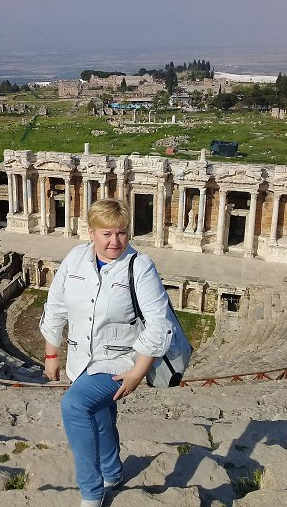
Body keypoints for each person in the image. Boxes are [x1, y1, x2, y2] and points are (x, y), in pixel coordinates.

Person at [40, 198, 173, 507]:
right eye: (107, 233)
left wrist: (138, 372)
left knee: (75, 406)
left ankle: (91, 491)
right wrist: (51, 353)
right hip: (80, 357)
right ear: (91, 233)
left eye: (121, 233)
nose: (115, 241)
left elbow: (159, 323)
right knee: (100, 413)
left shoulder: (140, 266)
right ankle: (112, 472)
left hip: (120, 361)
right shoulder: (75, 259)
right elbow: (56, 306)